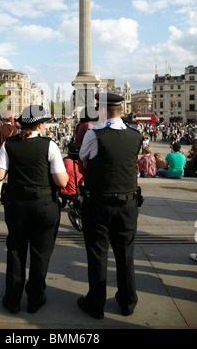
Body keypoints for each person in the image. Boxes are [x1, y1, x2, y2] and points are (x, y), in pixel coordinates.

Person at [0, 104, 68, 314]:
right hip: (44, 205)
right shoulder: (49, 146)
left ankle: (13, 299)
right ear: (41, 124)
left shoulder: (10, 144)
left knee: (16, 250)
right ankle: (35, 298)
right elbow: (61, 181)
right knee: (40, 253)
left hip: (16, 205)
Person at [78, 93, 142, 319]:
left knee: (98, 254)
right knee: (126, 254)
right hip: (128, 203)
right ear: (122, 109)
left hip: (99, 203)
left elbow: (83, 159)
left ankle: (95, 304)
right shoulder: (136, 135)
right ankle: (127, 302)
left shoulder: (93, 134)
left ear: (102, 110)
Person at [0, 110, 17, 208]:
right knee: (9, 177)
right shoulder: (15, 129)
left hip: (0, 153)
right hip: (12, 153)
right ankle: (8, 198)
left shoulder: (0, 129)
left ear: (2, 119)